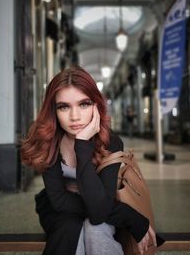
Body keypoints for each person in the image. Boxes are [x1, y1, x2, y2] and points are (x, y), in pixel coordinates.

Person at [21, 66, 157, 255]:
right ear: (54, 110)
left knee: (97, 228)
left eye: (83, 104)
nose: (74, 117)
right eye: (64, 106)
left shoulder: (111, 141)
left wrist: (82, 145)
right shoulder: (48, 139)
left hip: (103, 206)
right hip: (59, 209)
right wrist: (126, 214)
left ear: (96, 105)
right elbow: (59, 200)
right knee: (69, 228)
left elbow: (99, 212)